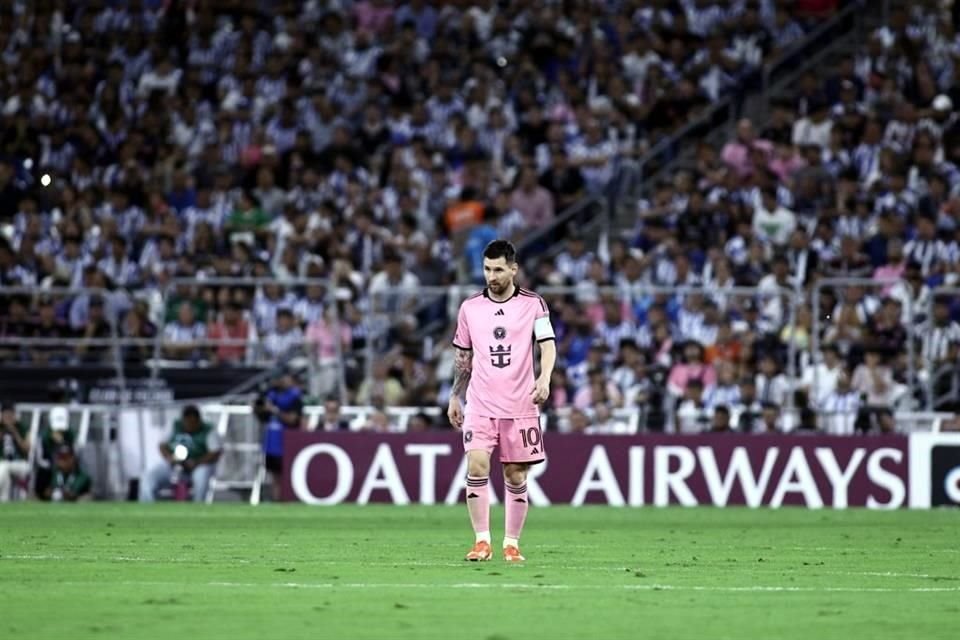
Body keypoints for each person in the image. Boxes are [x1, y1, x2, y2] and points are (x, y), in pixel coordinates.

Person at [447, 240, 556, 563]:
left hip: (520, 405)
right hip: (479, 403)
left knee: (515, 475)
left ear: (513, 269)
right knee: (477, 464)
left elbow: (547, 345)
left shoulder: (534, 304)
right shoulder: (469, 308)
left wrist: (545, 377)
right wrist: (455, 394)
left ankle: (511, 543)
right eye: (486, 269)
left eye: (497, 269)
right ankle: (482, 542)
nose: (491, 276)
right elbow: (463, 358)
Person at [139, 405, 222, 503]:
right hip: (174, 464)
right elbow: (162, 445)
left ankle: (199, 506)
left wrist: (197, 462)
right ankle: (147, 507)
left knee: (202, 475)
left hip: (197, 465)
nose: (190, 426)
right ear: (183, 420)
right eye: (187, 422)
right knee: (149, 475)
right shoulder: (174, 425)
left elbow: (216, 452)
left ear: (199, 420)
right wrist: (170, 457)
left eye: (193, 423)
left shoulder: (208, 429)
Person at [255, 373, 304, 500]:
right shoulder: (270, 395)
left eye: (285, 379)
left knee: (286, 476)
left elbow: (293, 420)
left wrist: (274, 410)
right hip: (271, 444)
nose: (281, 382)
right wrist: (258, 406)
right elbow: (261, 416)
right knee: (274, 477)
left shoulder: (295, 398)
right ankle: (276, 502)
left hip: (287, 443)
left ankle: (286, 501)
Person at [0, 401, 30, 501]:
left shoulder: (21, 427)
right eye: (6, 414)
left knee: (4, 468)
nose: (8, 417)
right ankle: (4, 500)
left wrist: (15, 433)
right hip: (2, 462)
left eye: (10, 414)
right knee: (3, 469)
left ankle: (21, 497)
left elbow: (27, 448)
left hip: (19, 462)